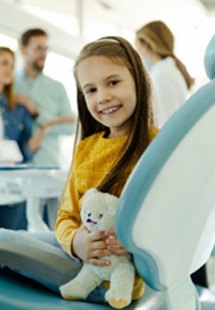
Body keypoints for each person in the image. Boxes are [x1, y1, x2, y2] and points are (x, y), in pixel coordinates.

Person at [55, 35, 158, 303]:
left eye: (113, 82)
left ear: (138, 79)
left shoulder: (157, 145)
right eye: (91, 90)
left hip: (112, 280)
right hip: (81, 261)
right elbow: (66, 216)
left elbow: (173, 216)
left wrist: (138, 243)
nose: (103, 97)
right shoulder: (85, 149)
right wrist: (77, 242)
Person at [15, 28, 75, 167]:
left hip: (48, 164)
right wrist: (55, 121)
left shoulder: (57, 87)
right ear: (23, 49)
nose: (44, 54)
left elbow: (70, 127)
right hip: (13, 166)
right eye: (38, 48)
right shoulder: (9, 86)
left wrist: (44, 123)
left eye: (46, 49)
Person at [0, 46, 46, 230]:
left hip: (13, 188)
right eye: (4, 63)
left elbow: (24, 152)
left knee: (10, 250)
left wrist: (41, 122)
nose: (10, 69)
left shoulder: (17, 109)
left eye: (12, 64)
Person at [135, 20, 195, 128]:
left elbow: (166, 122)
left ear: (147, 44)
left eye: (138, 48)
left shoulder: (162, 75)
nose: (139, 54)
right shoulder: (165, 69)